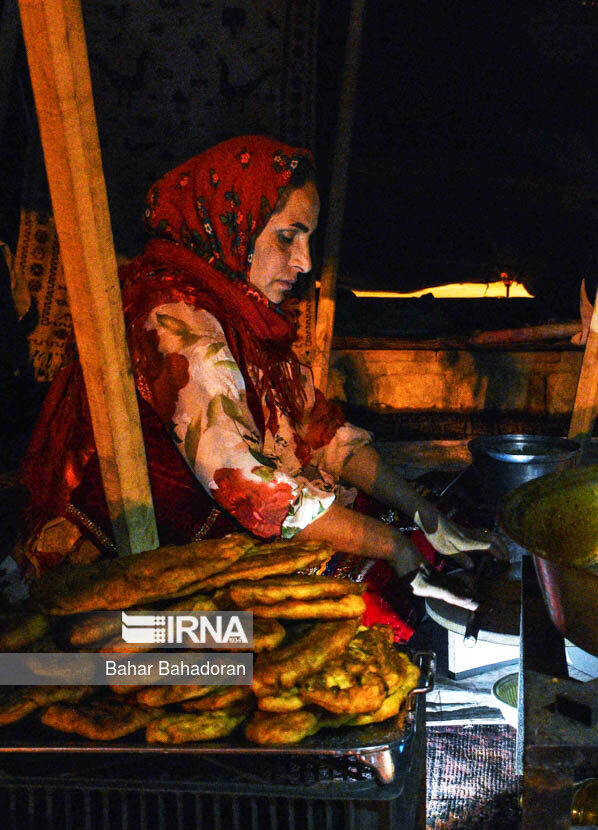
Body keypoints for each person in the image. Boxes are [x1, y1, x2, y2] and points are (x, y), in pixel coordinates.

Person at [18, 135, 486, 623]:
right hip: (142, 561)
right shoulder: (176, 318)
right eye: (288, 236)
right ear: (231, 224)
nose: (304, 262)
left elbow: (318, 428)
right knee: (360, 603)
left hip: (219, 524)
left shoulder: (239, 305)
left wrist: (420, 513)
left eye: (308, 239)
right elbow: (250, 487)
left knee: (411, 533)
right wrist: (391, 545)